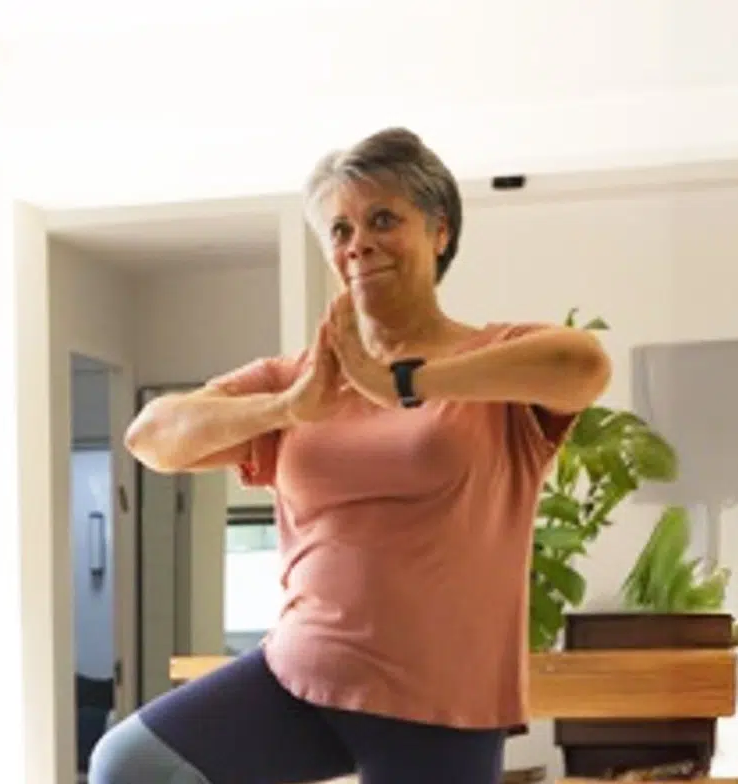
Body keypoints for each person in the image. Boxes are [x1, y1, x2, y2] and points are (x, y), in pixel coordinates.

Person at [92, 127, 613, 784]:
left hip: (440, 701)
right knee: (132, 763)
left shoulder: (493, 364)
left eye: (382, 219)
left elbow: (582, 364)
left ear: (439, 232)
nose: (357, 242)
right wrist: (285, 408)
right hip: (300, 675)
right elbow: (150, 436)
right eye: (339, 230)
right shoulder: (297, 378)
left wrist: (402, 381)